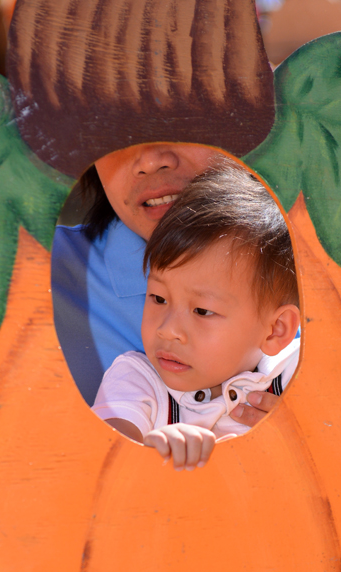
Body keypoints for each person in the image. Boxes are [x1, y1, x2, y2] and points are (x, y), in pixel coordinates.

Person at [51, 144, 287, 431]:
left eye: (182, 121)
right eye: (158, 298)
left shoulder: (313, 283)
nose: (150, 160)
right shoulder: (37, 270)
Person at [91, 162, 300, 469]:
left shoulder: (296, 372)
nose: (168, 330)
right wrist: (154, 448)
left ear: (275, 331)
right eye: (158, 298)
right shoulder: (137, 381)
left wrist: (311, 427)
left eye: (202, 310)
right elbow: (102, 458)